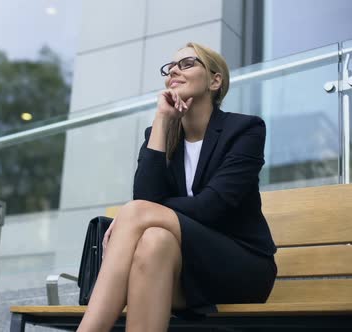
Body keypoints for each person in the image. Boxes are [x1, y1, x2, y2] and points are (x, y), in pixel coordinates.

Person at [77, 42, 277, 332]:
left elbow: (212, 206)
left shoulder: (245, 130)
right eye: (170, 67)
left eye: (186, 64)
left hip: (241, 267)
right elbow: (146, 200)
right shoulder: (157, 135)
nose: (173, 71)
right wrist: (161, 121)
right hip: (182, 270)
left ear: (215, 80)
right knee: (154, 240)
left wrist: (139, 212)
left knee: (139, 216)